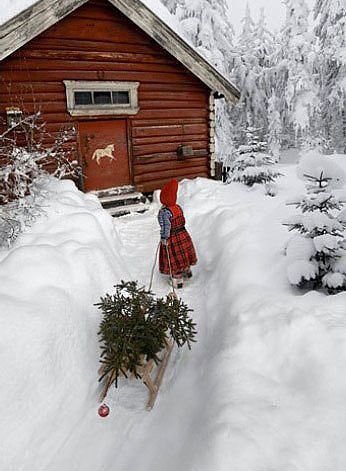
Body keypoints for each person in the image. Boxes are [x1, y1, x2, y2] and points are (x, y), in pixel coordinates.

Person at [158, 179, 197, 289]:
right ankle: (187, 271)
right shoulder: (178, 207)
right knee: (184, 253)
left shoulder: (164, 212)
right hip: (183, 234)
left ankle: (177, 279)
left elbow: (166, 226)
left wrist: (164, 238)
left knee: (174, 257)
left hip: (172, 237)